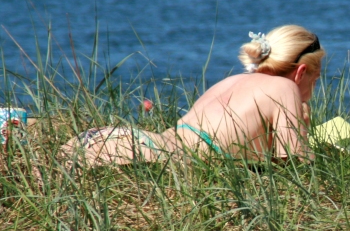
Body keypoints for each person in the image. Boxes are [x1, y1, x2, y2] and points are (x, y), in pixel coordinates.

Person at [63, 25, 323, 168]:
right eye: (317, 76)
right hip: (146, 156)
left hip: (118, 138)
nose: (316, 83)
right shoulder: (283, 88)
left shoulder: (234, 80)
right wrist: (304, 133)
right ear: (301, 72)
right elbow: (298, 165)